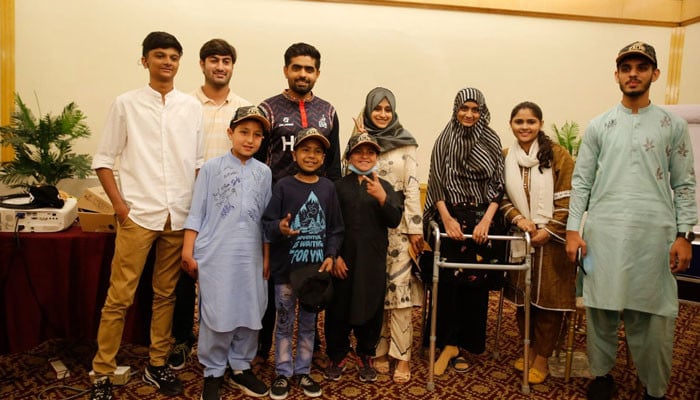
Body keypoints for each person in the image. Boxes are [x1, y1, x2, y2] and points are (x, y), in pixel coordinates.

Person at [565, 41, 696, 400]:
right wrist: (574, 230)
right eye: (626, 68)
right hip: (603, 233)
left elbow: (685, 183)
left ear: (654, 74)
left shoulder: (673, 125)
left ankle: (654, 388)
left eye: (641, 67)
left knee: (652, 314)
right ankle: (602, 375)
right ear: (617, 75)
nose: (633, 74)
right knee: (600, 308)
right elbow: (582, 182)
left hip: (654, 235)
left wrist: (684, 234)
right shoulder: (599, 125)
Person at [88, 31, 203, 400]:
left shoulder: (191, 107)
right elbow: (103, 161)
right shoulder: (126, 104)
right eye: (159, 55)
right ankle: (102, 372)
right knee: (119, 297)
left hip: (178, 215)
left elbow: (198, 165)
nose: (166, 62)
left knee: (166, 295)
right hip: (138, 214)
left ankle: (157, 364)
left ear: (179, 63)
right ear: (145, 61)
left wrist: (195, 214)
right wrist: (121, 207)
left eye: (172, 56)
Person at [255, 42, 342, 369]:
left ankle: (310, 346)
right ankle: (265, 346)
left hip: (317, 210)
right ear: (286, 70)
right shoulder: (268, 109)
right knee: (274, 283)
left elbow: (333, 166)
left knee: (311, 279)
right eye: (297, 68)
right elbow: (260, 161)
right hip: (277, 209)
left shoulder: (328, 111)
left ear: (317, 73)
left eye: (309, 69)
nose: (302, 74)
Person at [168, 38, 253, 371]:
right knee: (184, 277)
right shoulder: (182, 105)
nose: (220, 66)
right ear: (202, 64)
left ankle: (226, 343)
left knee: (226, 282)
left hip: (231, 217)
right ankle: (182, 340)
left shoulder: (245, 108)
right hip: (188, 204)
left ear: (233, 66)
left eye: (227, 61)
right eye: (214, 60)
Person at [184, 106, 272, 400]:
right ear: (230, 133)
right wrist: (189, 249)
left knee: (250, 307)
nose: (250, 139)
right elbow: (196, 212)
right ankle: (213, 370)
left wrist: (267, 256)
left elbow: (266, 219)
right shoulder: (211, 169)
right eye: (244, 132)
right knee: (217, 310)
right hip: (216, 253)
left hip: (251, 254)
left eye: (257, 134)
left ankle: (241, 365)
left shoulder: (264, 173)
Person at [423, 87, 505, 376]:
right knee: (447, 284)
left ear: (482, 111)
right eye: (464, 108)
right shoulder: (445, 139)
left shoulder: (492, 140)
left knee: (474, 285)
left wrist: (486, 221)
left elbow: (498, 185)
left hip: (483, 219)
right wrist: (446, 219)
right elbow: (436, 183)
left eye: (475, 109)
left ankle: (463, 345)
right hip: (452, 218)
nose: (469, 114)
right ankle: (447, 342)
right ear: (455, 109)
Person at [262, 127, 344, 399]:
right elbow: (267, 223)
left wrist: (331, 254)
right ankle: (283, 373)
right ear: (295, 153)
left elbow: (335, 228)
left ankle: (303, 371)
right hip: (286, 272)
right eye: (305, 150)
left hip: (315, 274)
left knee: (309, 324)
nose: (311, 156)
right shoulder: (283, 186)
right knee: (284, 322)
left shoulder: (328, 188)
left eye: (318, 151)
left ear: (324, 157)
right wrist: (281, 229)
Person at [499, 101, 576, 384]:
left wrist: (550, 229)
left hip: (553, 241)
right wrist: (520, 220)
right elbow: (502, 197)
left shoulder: (558, 155)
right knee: (524, 300)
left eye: (531, 122)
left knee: (549, 303)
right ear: (511, 125)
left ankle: (543, 358)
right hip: (521, 238)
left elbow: (570, 197)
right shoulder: (506, 156)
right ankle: (528, 349)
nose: (525, 127)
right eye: (519, 122)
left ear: (540, 124)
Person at [351, 87, 422, 383]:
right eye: (376, 109)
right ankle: (378, 351)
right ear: (368, 110)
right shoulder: (361, 143)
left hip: (399, 232)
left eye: (387, 109)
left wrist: (415, 230)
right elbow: (350, 178)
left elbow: (413, 188)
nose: (382, 114)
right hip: (369, 231)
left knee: (401, 296)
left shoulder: (407, 144)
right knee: (376, 292)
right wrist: (356, 138)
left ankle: (402, 357)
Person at [324, 133, 403, 383]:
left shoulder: (385, 186)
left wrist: (381, 197)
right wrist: (333, 256)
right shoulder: (337, 186)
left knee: (371, 307)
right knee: (338, 308)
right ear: (349, 156)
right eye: (359, 152)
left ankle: (366, 353)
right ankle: (337, 354)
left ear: (377, 157)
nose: (365, 156)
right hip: (342, 261)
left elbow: (394, 219)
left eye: (370, 152)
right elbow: (328, 225)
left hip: (372, 261)